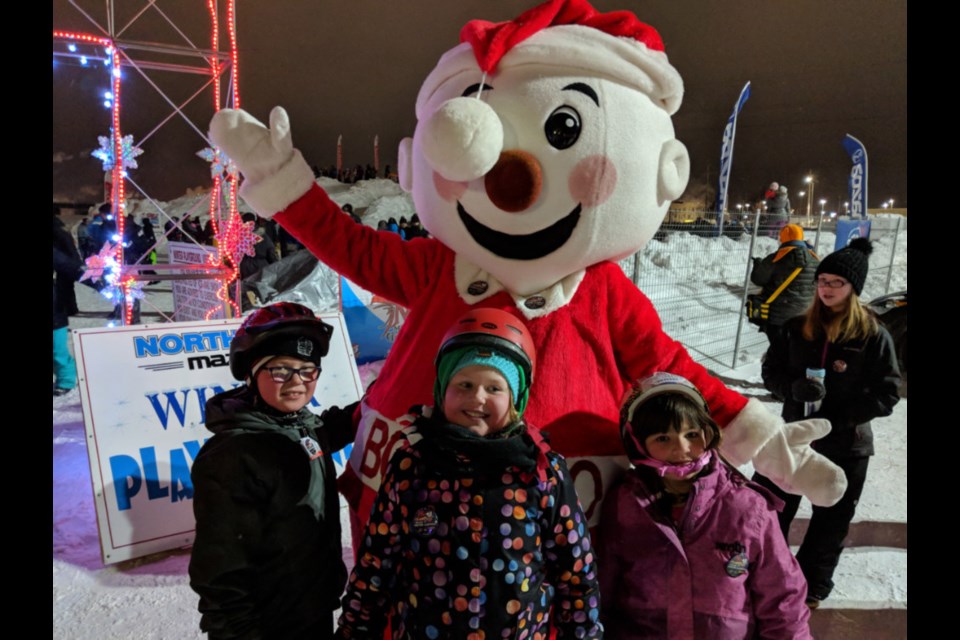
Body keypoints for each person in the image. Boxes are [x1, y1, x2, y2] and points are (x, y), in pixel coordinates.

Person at [336, 309, 602, 639]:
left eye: (494, 388)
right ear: (442, 389)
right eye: (464, 384)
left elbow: (575, 577)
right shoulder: (412, 466)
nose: (477, 397)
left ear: (516, 399)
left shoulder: (542, 472)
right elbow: (376, 568)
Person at [188, 302, 358, 639]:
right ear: (252, 373)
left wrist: (383, 396)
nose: (297, 382)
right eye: (281, 370)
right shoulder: (235, 456)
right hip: (269, 623)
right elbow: (220, 572)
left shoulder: (299, 425)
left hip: (314, 606)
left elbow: (330, 429)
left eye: (308, 369)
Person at [599, 373, 811, 638]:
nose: (681, 448)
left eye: (691, 434)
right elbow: (602, 592)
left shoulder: (747, 508)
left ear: (708, 433)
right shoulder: (626, 505)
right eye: (663, 439)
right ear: (639, 445)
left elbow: (783, 599)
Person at [753, 238, 901, 609]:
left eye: (837, 282)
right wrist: (791, 388)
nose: (827, 288)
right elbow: (771, 371)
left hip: (846, 443)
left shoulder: (871, 334)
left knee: (831, 519)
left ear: (853, 289)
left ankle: (812, 587)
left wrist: (842, 415)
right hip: (795, 439)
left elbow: (887, 393)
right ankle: (766, 575)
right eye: (823, 280)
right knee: (769, 507)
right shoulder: (796, 327)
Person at [749, 224, 819, 345]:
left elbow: (758, 279)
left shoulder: (776, 258)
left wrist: (758, 265)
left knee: (778, 352)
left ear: (783, 239)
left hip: (778, 318)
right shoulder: (815, 260)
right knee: (796, 351)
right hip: (804, 316)